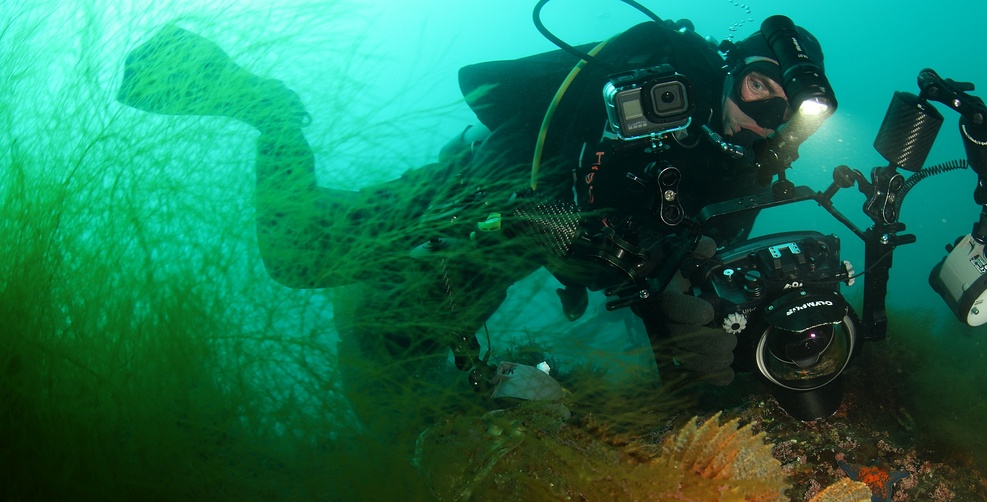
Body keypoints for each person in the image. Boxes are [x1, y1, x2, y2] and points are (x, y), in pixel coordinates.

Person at [116, 12, 834, 428]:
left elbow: (691, 265)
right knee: (300, 257)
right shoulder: (662, 81)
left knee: (392, 358)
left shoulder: (745, 169)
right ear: (731, 67)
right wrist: (588, 232)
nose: (759, 113)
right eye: (756, 86)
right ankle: (267, 108)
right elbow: (555, 151)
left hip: (513, 252)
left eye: (781, 108)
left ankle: (389, 318)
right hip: (488, 183)